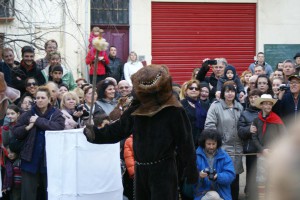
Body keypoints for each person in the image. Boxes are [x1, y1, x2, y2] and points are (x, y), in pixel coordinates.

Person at [83, 64, 198, 200]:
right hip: (141, 170)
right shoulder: (136, 110)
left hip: (164, 170)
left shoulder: (173, 110)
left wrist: (191, 168)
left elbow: (186, 142)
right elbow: (117, 130)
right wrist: (96, 134)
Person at [12, 86, 65, 200]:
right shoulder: (28, 113)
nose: (40, 100)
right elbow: (16, 131)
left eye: (43, 97)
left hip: (50, 160)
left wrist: (38, 121)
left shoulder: (56, 113)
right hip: (30, 158)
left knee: (50, 193)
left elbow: (59, 127)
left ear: (49, 99)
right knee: (28, 194)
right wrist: (27, 127)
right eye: (38, 98)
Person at [205, 83, 244, 200]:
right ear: (223, 93)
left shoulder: (239, 106)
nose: (230, 93)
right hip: (222, 148)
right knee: (223, 178)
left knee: (235, 178)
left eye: (232, 91)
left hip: (237, 149)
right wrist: (217, 142)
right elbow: (209, 125)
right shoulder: (215, 106)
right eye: (227, 91)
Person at [250, 94, 285, 199]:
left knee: (273, 178)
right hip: (262, 154)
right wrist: (261, 149)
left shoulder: (277, 120)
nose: (268, 106)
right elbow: (254, 137)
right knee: (261, 179)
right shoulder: (256, 120)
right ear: (261, 105)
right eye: (265, 104)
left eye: (270, 104)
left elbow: (283, 136)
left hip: (275, 155)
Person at [194, 129, 235, 200]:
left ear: (217, 143)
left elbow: (231, 175)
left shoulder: (224, 156)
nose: (211, 147)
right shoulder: (196, 156)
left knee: (214, 196)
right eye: (209, 144)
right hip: (202, 193)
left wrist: (218, 177)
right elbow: (189, 176)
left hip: (222, 193)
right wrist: (199, 175)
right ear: (204, 143)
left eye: (213, 144)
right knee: (213, 196)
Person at [237, 89, 262, 199]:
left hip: (265, 150)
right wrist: (248, 129)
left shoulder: (266, 110)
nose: (253, 99)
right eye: (251, 97)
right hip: (251, 150)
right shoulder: (245, 113)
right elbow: (240, 131)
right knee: (252, 174)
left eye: (255, 97)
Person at [180, 79, 209, 147]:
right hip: (186, 141)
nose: (194, 90)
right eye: (191, 88)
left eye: (196, 88)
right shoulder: (181, 105)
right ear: (186, 91)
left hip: (202, 141)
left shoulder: (204, 104)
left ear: (199, 92)